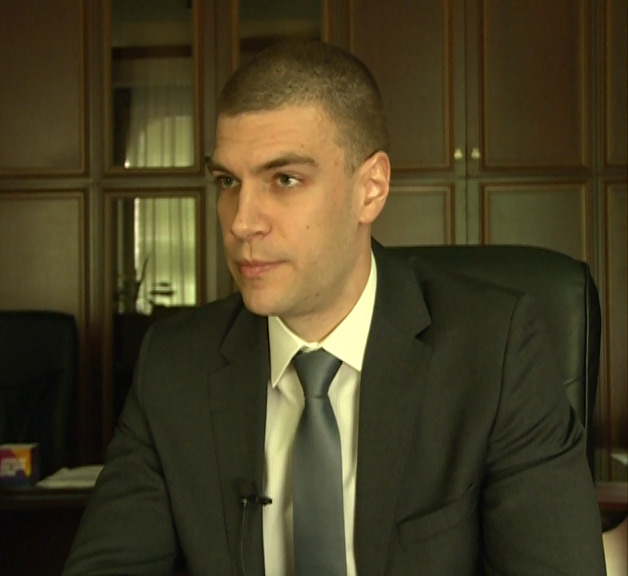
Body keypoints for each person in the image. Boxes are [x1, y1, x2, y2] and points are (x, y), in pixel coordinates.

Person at [63, 40, 606, 576]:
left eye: (285, 180)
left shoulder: (495, 350)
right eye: (228, 181)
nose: (241, 222)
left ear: (370, 189)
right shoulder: (174, 365)